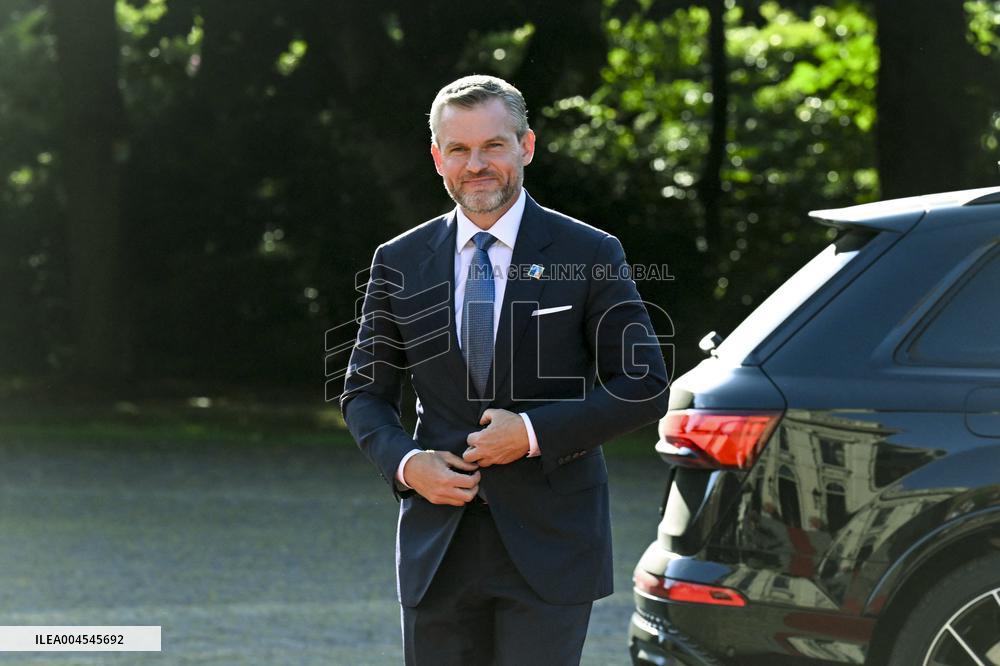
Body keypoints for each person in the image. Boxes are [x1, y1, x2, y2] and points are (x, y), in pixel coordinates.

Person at [340, 74, 669, 665]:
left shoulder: (590, 253)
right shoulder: (399, 260)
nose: (477, 165)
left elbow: (644, 385)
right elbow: (364, 393)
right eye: (460, 149)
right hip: (438, 543)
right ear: (437, 157)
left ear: (526, 147)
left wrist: (533, 435)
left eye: (494, 145)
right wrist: (409, 467)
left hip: (552, 541)